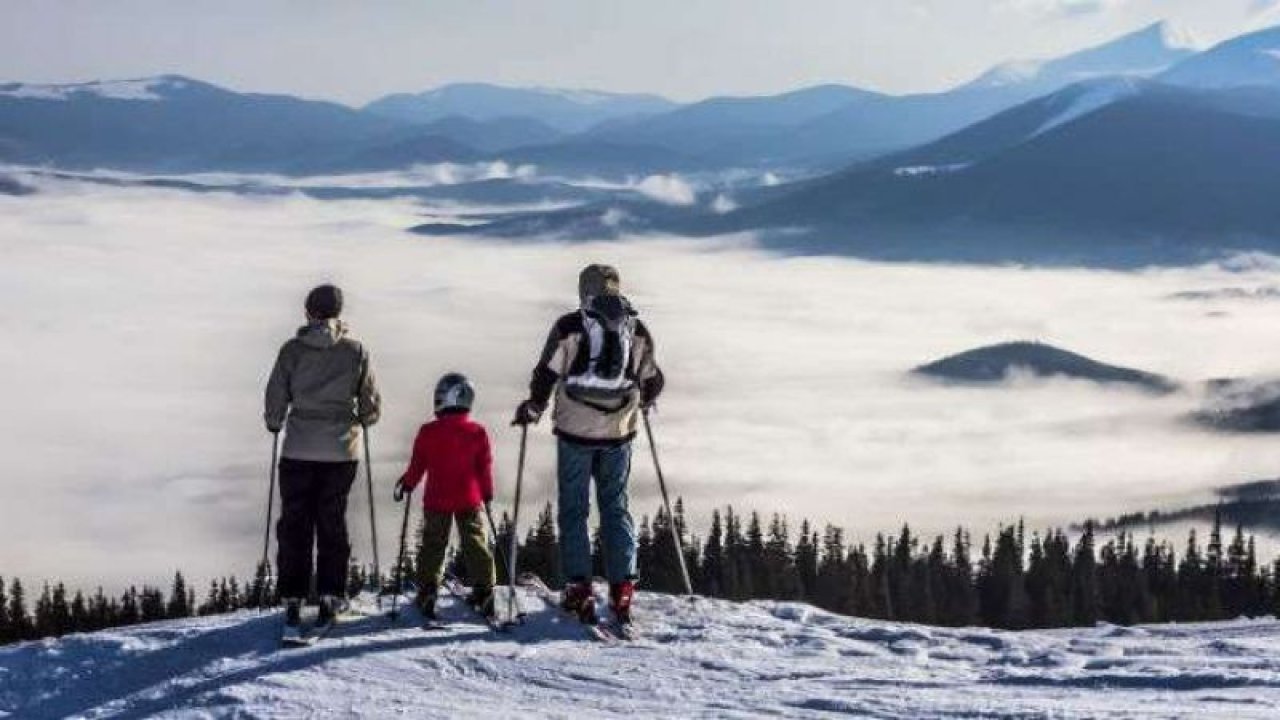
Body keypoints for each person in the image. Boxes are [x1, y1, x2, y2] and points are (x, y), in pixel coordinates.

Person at [512, 264, 664, 625]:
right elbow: (653, 380)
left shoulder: (570, 326)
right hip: (619, 432)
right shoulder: (635, 328)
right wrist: (643, 398)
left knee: (574, 509)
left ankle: (578, 588)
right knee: (615, 506)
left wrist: (534, 406)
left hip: (574, 431)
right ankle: (622, 586)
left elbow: (546, 372)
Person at [264, 284, 381, 637]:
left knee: (295, 523)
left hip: (298, 449)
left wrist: (275, 422)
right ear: (338, 313)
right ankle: (331, 595)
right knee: (332, 521)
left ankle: (293, 597)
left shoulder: (292, 351)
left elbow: (275, 398)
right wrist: (360, 421)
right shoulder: (355, 351)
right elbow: (371, 405)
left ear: (308, 312)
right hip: (340, 453)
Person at [395, 373, 497, 620]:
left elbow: (418, 465)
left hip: (437, 498)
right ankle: (485, 591)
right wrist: (487, 493)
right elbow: (484, 467)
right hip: (469, 497)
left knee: (433, 544)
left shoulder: (428, 431)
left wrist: (407, 484)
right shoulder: (477, 432)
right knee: (475, 543)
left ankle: (428, 591)